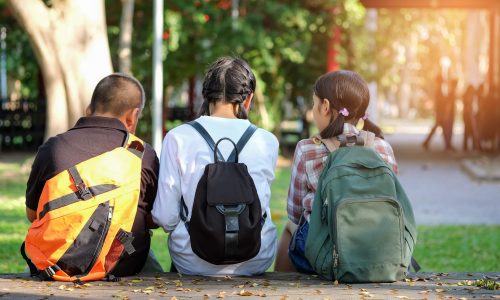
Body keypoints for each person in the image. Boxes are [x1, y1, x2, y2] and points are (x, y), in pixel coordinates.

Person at [152, 57, 279, 276]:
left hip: (192, 260)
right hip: (255, 258)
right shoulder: (266, 141)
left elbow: (165, 217)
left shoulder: (178, 137)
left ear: (206, 96)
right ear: (247, 100)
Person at [25, 73, 160, 276]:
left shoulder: (53, 148)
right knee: (152, 265)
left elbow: (32, 214)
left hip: (58, 264)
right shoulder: (142, 154)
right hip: (122, 264)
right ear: (133, 116)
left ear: (89, 110)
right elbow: (152, 219)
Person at [274, 70, 398, 272]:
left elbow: (295, 212)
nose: (313, 110)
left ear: (325, 106)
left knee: (290, 227)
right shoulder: (382, 147)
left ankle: (280, 288)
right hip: (374, 248)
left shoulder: (307, 149)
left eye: (314, 104)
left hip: (325, 254)